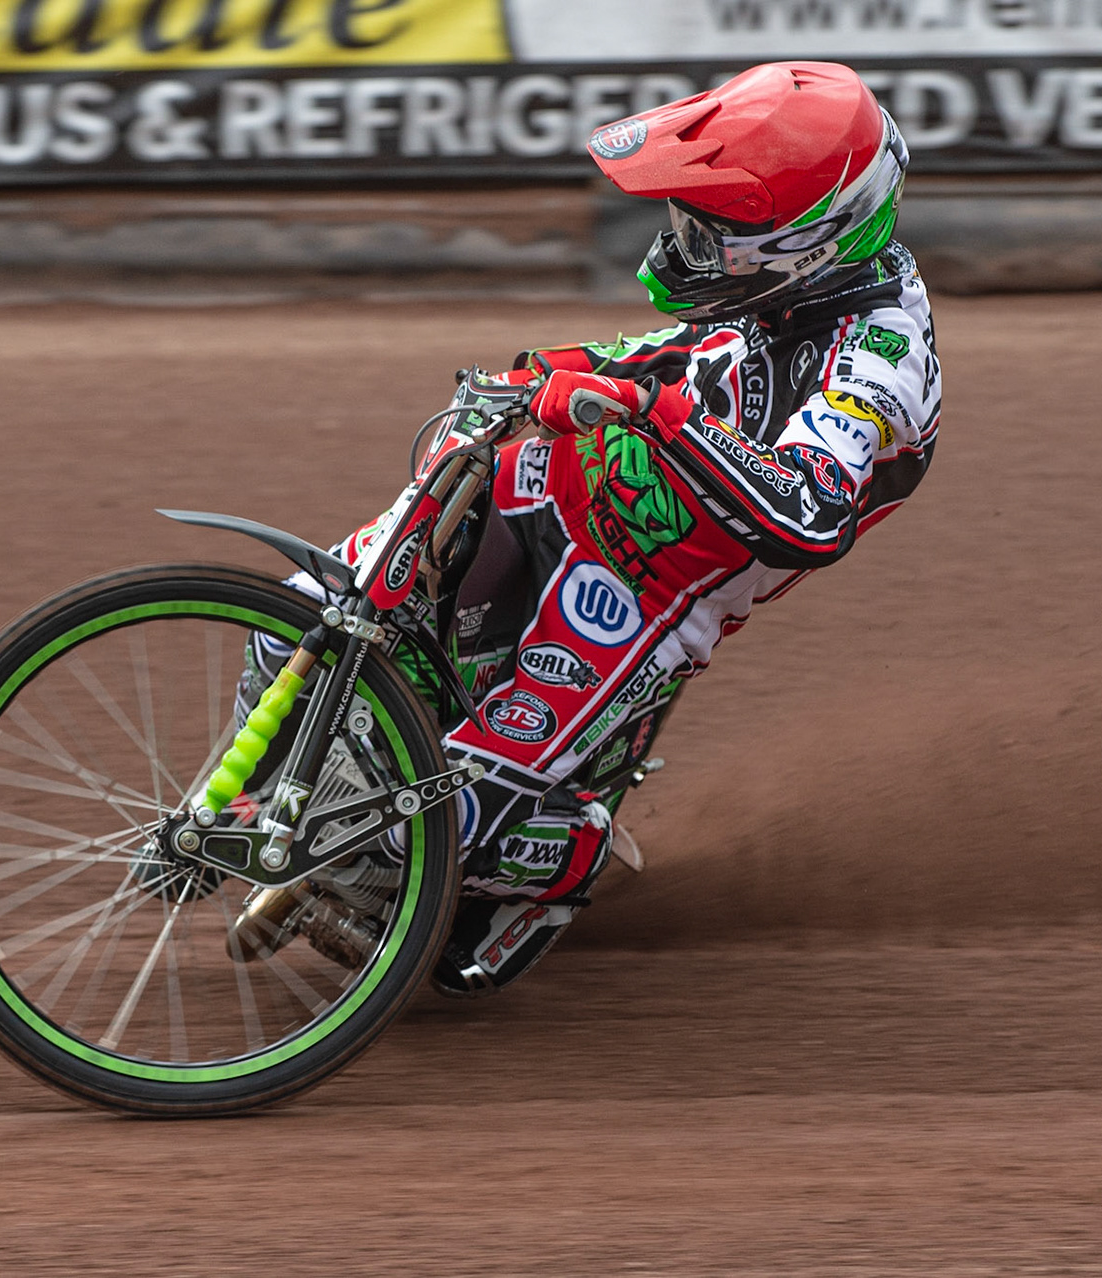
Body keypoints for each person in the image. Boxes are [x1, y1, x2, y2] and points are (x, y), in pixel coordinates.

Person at [271, 61, 942, 996]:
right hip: (567, 487)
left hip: (650, 589)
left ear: (803, 242)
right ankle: (345, 761)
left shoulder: (879, 357)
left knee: (421, 830)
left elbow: (804, 512)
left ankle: (561, 849)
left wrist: (649, 411)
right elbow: (687, 356)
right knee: (298, 620)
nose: (684, 244)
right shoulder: (785, 296)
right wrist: (553, 368)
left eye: (710, 230)